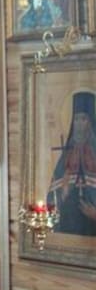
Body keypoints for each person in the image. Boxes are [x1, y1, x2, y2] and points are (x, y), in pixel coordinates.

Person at [46, 91, 96, 236]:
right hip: (68, 226)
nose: (79, 124)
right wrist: (62, 193)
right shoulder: (66, 155)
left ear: (91, 123)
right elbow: (52, 198)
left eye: (83, 119)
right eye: (76, 119)